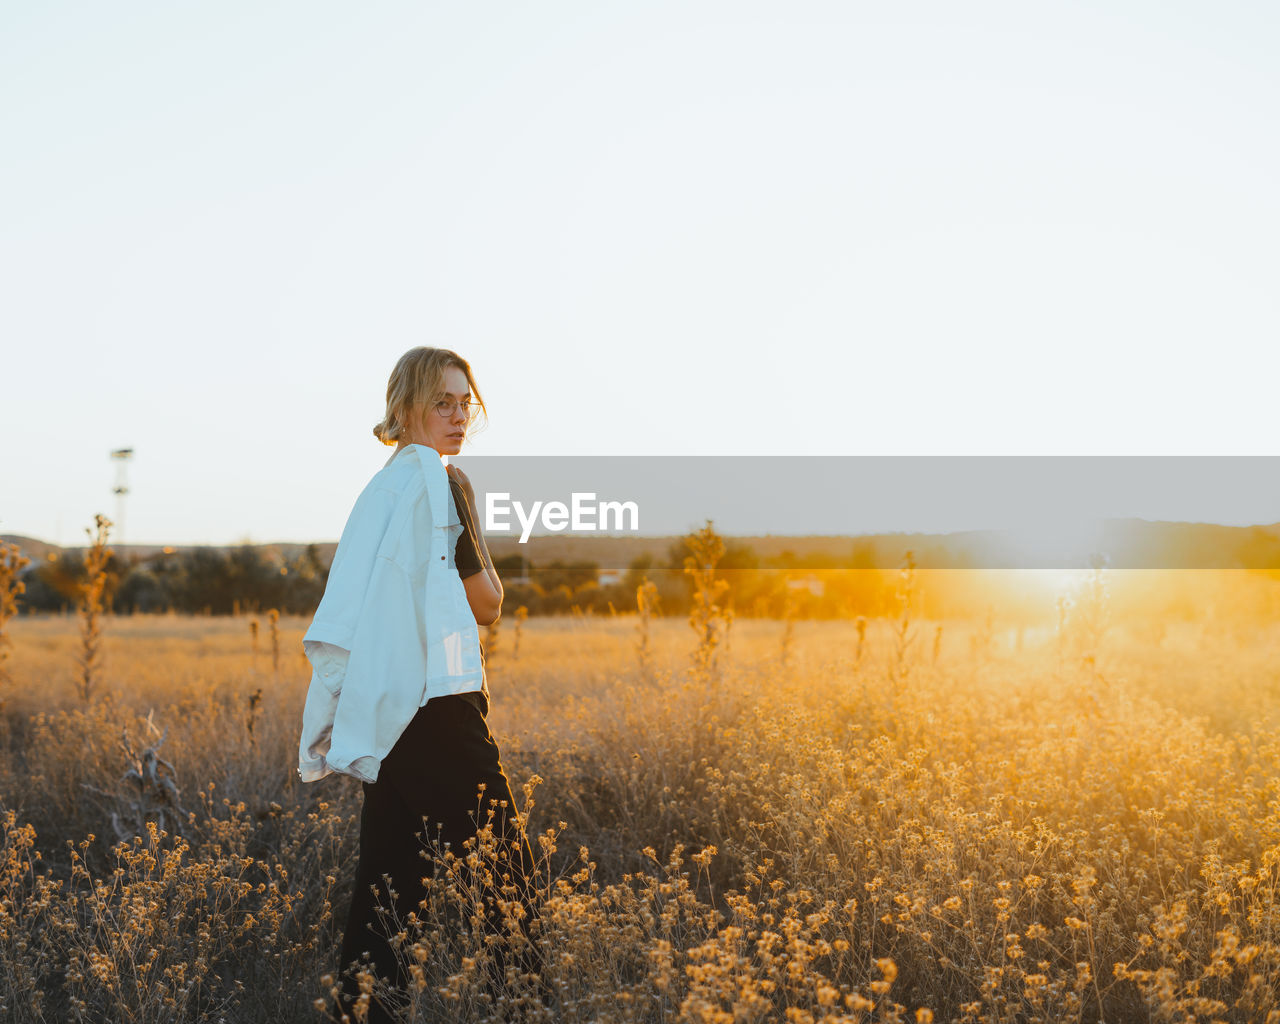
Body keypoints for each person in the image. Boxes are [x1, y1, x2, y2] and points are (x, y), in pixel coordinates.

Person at [295, 346, 542, 1023]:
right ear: (405, 409)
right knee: (512, 880)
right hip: (436, 709)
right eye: (443, 402)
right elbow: (487, 604)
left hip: (387, 710)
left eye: (466, 402)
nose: (458, 415)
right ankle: (522, 1009)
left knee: (388, 900)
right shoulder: (440, 484)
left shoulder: (381, 488)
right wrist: (469, 508)